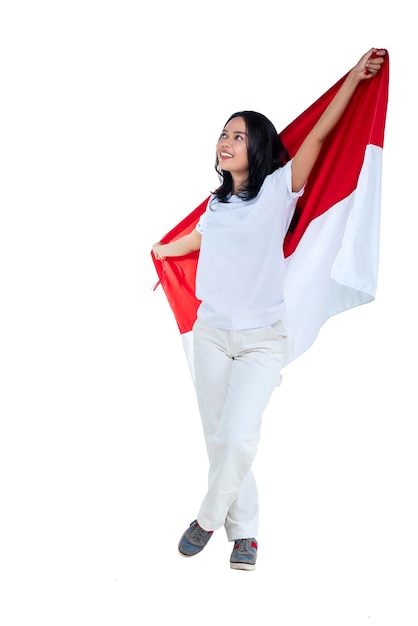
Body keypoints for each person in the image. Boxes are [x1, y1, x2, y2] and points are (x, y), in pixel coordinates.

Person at [152, 48, 386, 571]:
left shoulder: (280, 190)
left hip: (261, 339)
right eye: (224, 134)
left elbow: (322, 135)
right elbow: (197, 239)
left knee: (237, 435)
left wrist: (351, 78)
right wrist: (163, 252)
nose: (226, 141)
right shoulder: (216, 205)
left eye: (238, 135)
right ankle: (247, 535)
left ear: (257, 148)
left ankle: (207, 520)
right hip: (211, 333)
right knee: (220, 439)